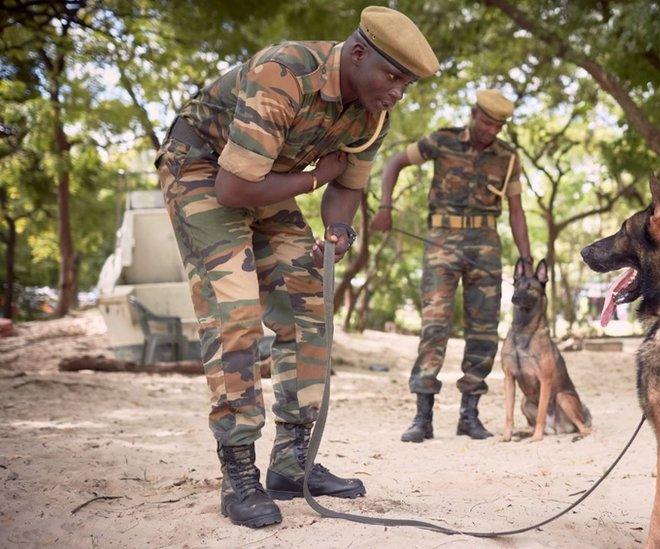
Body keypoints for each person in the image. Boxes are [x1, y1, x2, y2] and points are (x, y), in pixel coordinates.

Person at [154, 6, 438, 528]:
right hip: (202, 169)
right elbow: (232, 189)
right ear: (357, 54)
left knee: (309, 301)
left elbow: (348, 186)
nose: (398, 91)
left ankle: (292, 461)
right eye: (393, 75)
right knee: (235, 309)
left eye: (408, 83)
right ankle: (239, 472)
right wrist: (312, 181)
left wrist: (338, 230)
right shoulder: (283, 73)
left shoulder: (373, 113)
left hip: (267, 178)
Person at [372, 89, 532, 443]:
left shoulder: (508, 158)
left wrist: (526, 257)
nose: (491, 130)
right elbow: (395, 162)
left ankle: (469, 415)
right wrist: (385, 207)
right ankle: (422, 416)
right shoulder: (441, 141)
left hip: (486, 244)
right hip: (441, 242)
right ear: (474, 114)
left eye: (498, 126)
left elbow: (517, 211)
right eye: (487, 122)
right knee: (434, 326)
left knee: (483, 330)